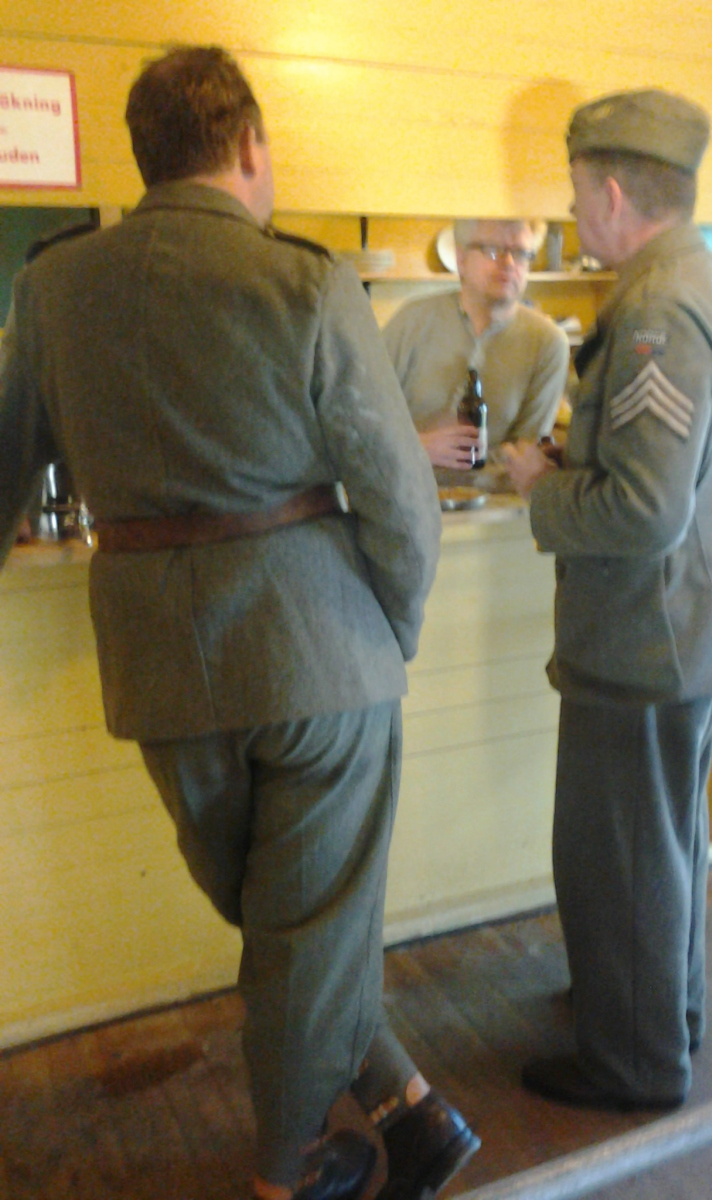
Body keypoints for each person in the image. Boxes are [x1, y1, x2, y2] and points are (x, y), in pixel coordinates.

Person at [0, 45, 479, 1200]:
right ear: (252, 147)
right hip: (322, 655)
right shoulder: (305, 281)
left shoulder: (53, 288)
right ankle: (288, 1176)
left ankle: (411, 1111)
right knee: (301, 927)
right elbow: (401, 496)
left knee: (283, 922)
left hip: (161, 671)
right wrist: (391, 632)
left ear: (144, 155)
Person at [502, 88, 712, 1109]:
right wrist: (582, 461)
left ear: (613, 194)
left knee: (619, 856)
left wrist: (542, 486)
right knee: (662, 847)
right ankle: (665, 1018)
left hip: (646, 638)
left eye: (578, 194)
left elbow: (646, 509)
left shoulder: (657, 309)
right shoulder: (700, 280)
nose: (574, 213)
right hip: (686, 629)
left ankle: (633, 1064)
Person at [383, 219, 570, 472]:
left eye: (521, 253)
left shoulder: (549, 342)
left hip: (496, 493)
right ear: (461, 259)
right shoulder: (411, 321)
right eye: (492, 250)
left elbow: (527, 452)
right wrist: (417, 447)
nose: (509, 263)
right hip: (408, 484)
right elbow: (365, 419)